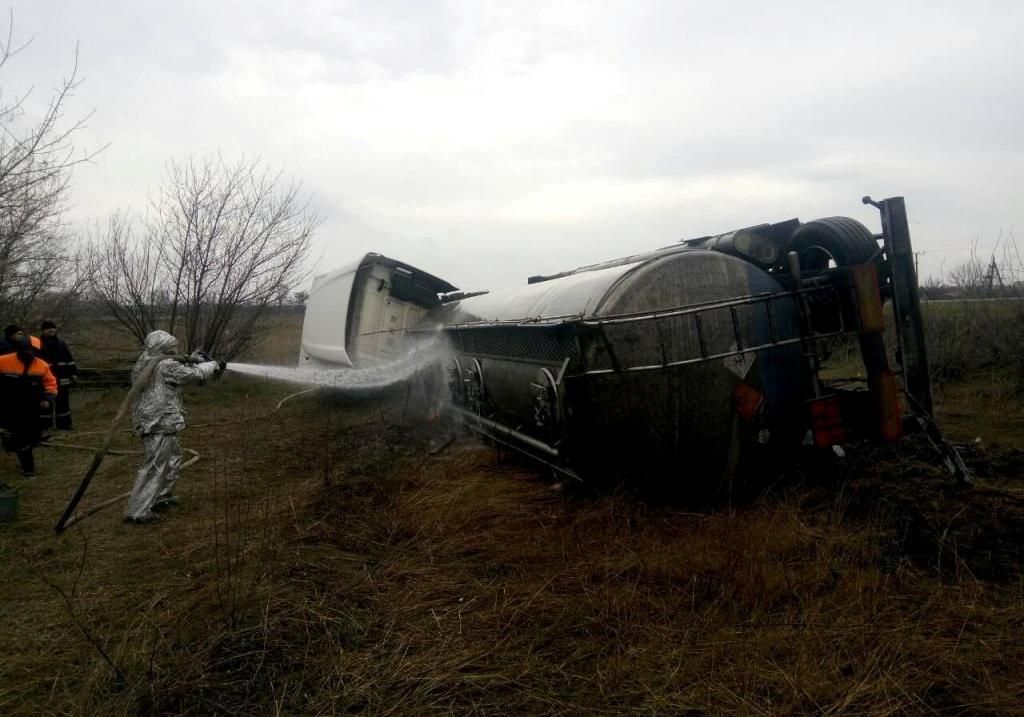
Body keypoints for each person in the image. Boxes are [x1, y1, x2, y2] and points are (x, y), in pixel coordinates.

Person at [124, 330, 223, 524]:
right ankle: (138, 511)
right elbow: (194, 375)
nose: (175, 348)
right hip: (159, 421)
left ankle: (161, 496)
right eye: (172, 346)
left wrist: (190, 359)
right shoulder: (164, 364)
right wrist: (213, 364)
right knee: (155, 465)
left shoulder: (147, 360)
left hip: (160, 420)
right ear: (163, 348)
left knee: (174, 458)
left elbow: (172, 368)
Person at [0, 336, 57, 477]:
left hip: (31, 407)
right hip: (7, 406)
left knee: (27, 437)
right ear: (19, 349)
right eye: (26, 349)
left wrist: (47, 399)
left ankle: (24, 457)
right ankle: (28, 467)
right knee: (18, 437)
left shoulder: (42, 365)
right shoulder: (3, 361)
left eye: (32, 350)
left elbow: (50, 384)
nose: (29, 353)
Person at [36, 320, 78, 430]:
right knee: (46, 402)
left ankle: (64, 424)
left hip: (62, 378)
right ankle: (44, 425)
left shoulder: (61, 344)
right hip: (45, 380)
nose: (52, 330)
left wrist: (73, 373)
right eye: (49, 328)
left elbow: (69, 360)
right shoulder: (37, 344)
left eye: (53, 328)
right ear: (43, 330)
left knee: (63, 403)